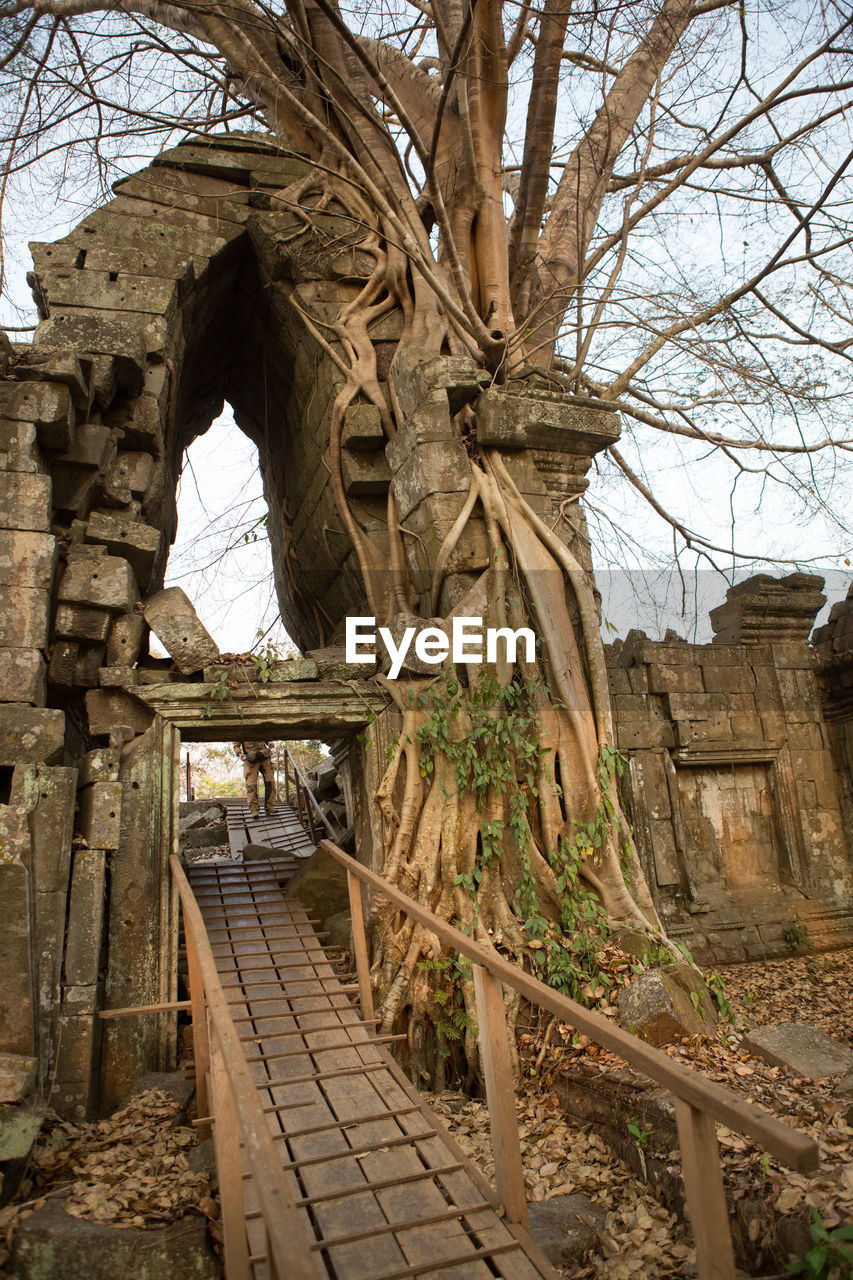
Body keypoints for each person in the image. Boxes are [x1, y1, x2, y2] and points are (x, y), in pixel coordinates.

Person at [233, 741, 277, 817]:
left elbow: (269, 740)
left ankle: (270, 807)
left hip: (264, 756)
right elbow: (236, 745)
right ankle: (254, 809)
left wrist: (271, 743)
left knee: (270, 782)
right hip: (250, 758)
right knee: (251, 784)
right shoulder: (240, 730)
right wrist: (239, 754)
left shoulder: (262, 728)